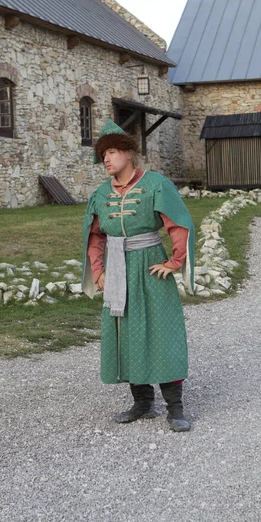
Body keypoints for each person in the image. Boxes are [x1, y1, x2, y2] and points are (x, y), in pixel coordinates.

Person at [82, 119, 195, 432]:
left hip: (149, 265)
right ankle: (142, 403)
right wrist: (99, 269)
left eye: (113, 152)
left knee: (163, 331)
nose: (107, 159)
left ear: (129, 154)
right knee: (127, 333)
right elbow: (94, 236)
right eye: (103, 154)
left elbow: (178, 223)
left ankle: (175, 408)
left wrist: (174, 262)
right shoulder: (101, 194)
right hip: (118, 268)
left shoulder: (156, 184)